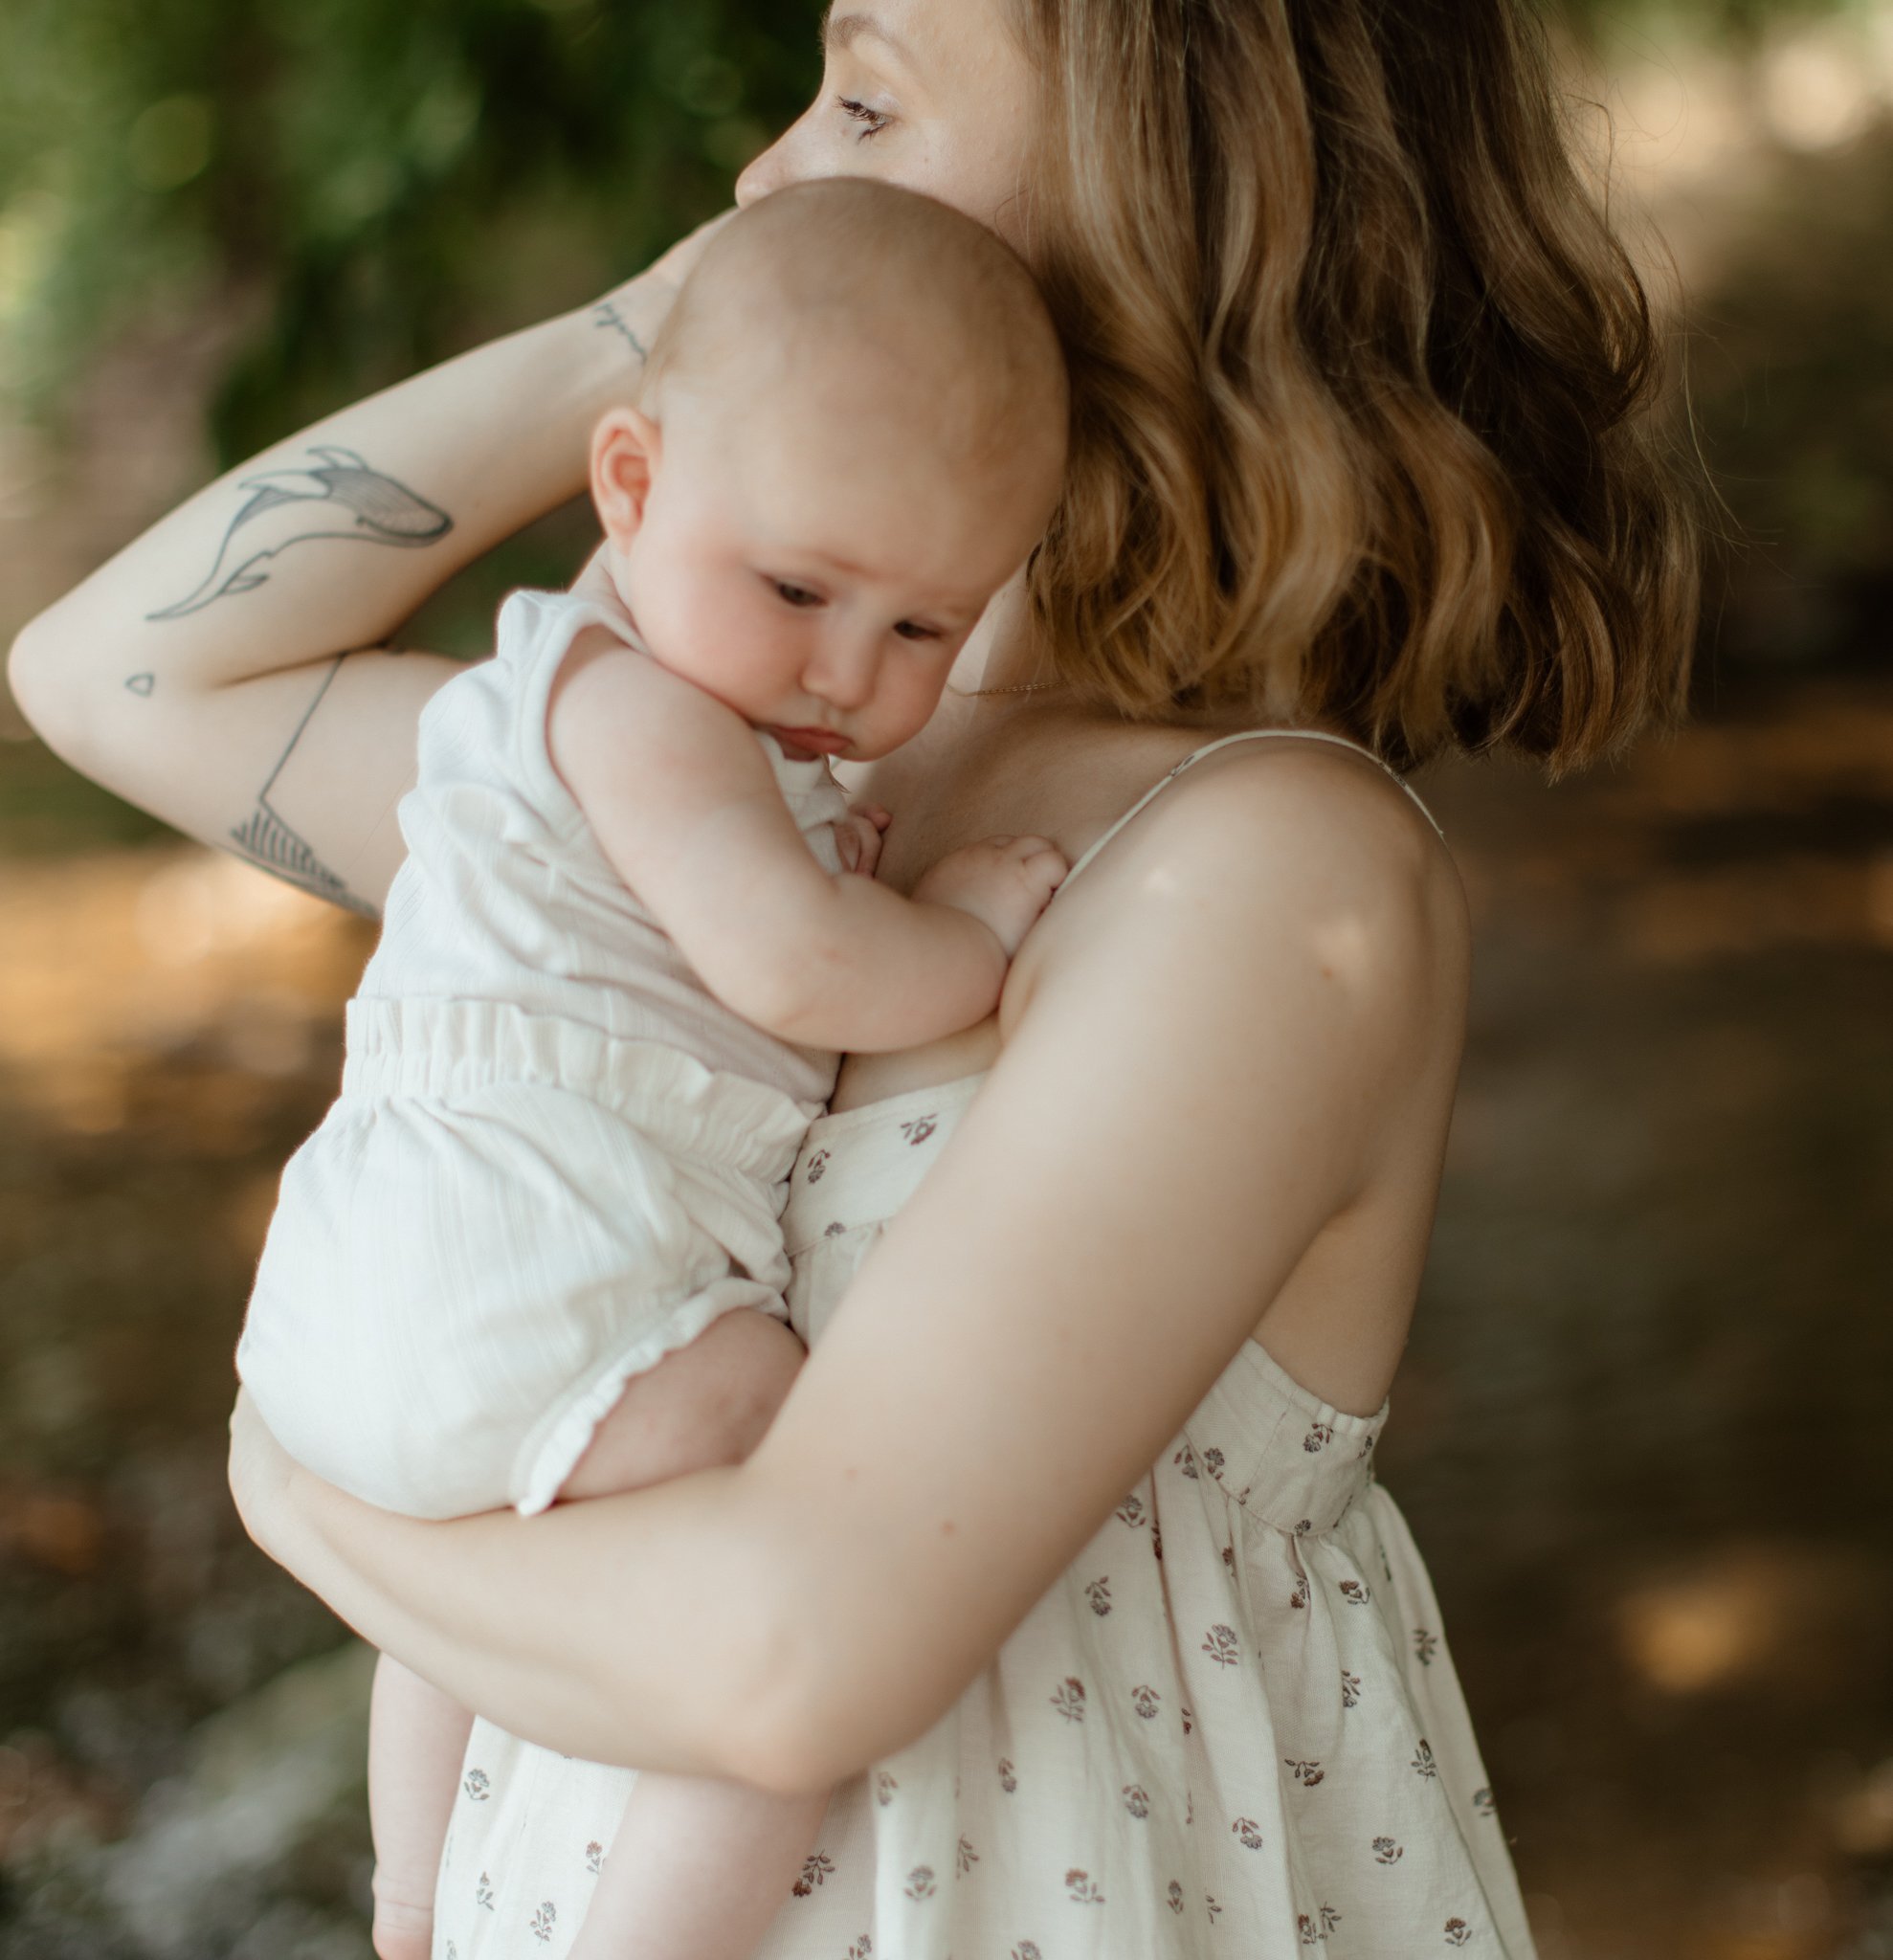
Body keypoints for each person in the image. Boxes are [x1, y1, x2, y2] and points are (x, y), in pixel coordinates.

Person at [7, 1, 1699, 1954]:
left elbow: (791, 1655)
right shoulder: (753, 781)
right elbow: (113, 676)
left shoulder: (1252, 876)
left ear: (1174, 203)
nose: (759, 172)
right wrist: (659, 348)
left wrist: (318, 1515)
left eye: (867, 99)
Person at [232, 178, 1071, 1960]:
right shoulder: (637, 708)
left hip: (366, 1297)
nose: (847, 670)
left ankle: (406, 1900)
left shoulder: (652, 716)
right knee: (799, 1548)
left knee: (447, 1565)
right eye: (797, 587)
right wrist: (976, 933)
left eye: (925, 629)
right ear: (627, 484)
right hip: (522, 1258)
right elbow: (797, 965)